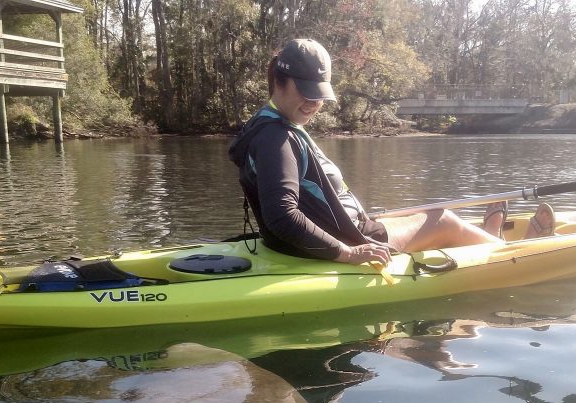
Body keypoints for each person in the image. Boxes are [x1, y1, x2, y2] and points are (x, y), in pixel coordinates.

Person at [228, 38, 554, 267]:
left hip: (327, 230)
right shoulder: (275, 138)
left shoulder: (264, 123)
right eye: (307, 93)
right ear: (280, 81)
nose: (314, 104)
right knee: (444, 220)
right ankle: (514, 253)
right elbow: (282, 216)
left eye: (320, 96)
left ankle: (489, 235)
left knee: (407, 215)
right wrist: (348, 253)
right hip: (345, 239)